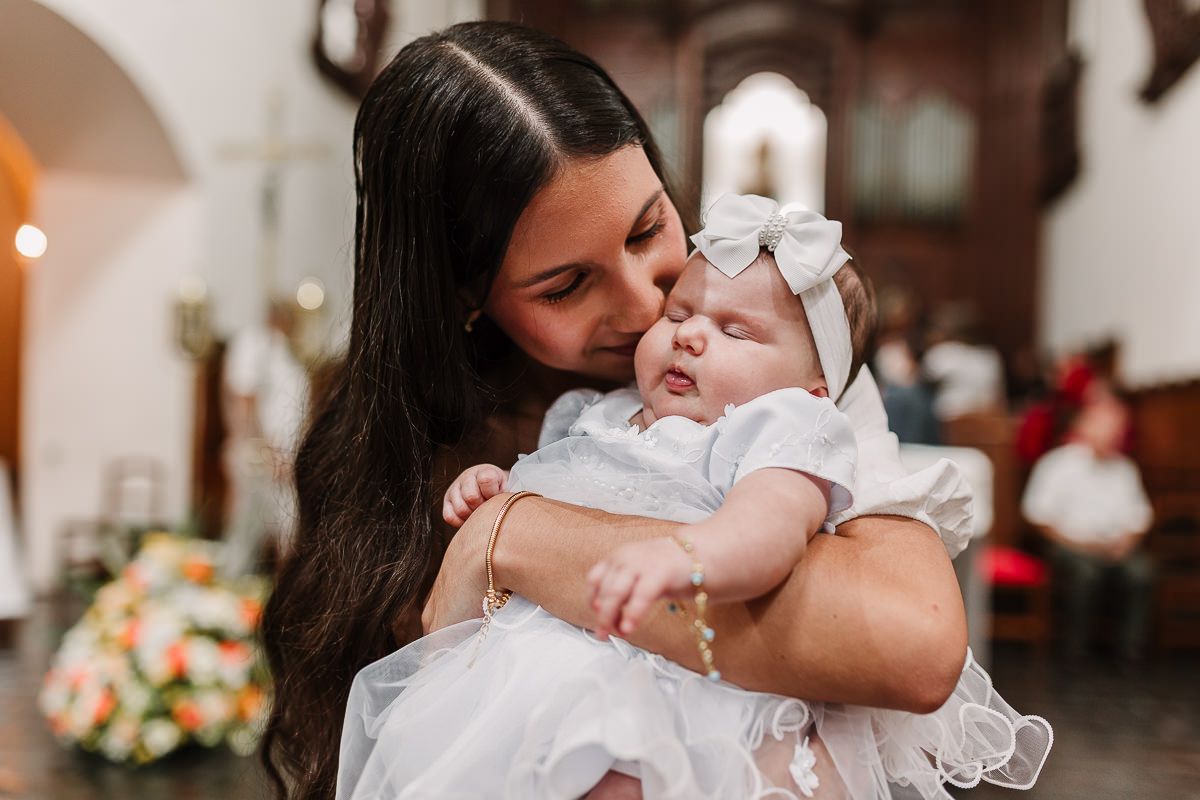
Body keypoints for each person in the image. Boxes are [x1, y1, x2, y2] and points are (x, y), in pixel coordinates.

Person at [261, 22, 973, 800]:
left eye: (648, 228)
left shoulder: (786, 369)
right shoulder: (406, 444)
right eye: (565, 286)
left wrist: (512, 534)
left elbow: (913, 647)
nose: (647, 306)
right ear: (464, 298)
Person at [338, 196, 1051, 799]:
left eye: (736, 330)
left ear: (810, 391)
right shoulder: (599, 410)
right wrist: (496, 489)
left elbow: (768, 526)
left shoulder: (781, 427)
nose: (691, 339)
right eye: (679, 315)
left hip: (667, 678)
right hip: (527, 667)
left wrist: (689, 557)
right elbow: (548, 484)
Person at [1022, 385, 1154, 661]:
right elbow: (1037, 515)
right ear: (1084, 425)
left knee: (1142, 572)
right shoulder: (1057, 464)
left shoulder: (1124, 469)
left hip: (1114, 547)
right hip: (1070, 545)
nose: (1111, 434)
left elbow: (1140, 516)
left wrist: (1125, 543)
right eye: (1104, 425)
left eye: (1116, 428)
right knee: (1085, 574)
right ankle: (1074, 651)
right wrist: (1078, 544)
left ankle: (1128, 653)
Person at [220, 299, 309, 576]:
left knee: (287, 533)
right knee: (246, 533)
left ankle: (279, 603)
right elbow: (246, 400)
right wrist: (266, 451)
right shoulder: (255, 345)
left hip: (284, 456)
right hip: (264, 454)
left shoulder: (287, 353)